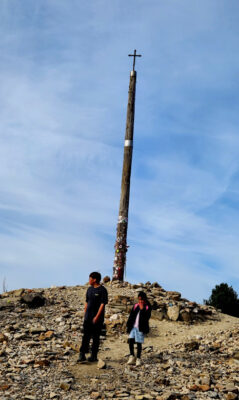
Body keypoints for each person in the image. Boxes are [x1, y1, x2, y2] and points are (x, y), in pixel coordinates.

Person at [78, 272, 108, 362]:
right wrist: (85, 312)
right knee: (85, 336)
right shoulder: (89, 289)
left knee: (95, 337)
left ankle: (93, 356)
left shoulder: (102, 290)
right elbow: (87, 301)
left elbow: (103, 304)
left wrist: (97, 317)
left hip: (97, 318)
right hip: (88, 317)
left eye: (90, 278)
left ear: (94, 279)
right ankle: (82, 354)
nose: (89, 280)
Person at [126, 291, 151, 366]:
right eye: (139, 300)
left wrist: (142, 309)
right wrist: (128, 325)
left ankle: (138, 359)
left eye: (142, 300)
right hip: (133, 327)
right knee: (130, 340)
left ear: (145, 299)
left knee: (138, 343)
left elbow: (146, 318)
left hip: (141, 328)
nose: (140, 301)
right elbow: (131, 316)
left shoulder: (147, 307)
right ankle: (132, 356)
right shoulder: (136, 306)